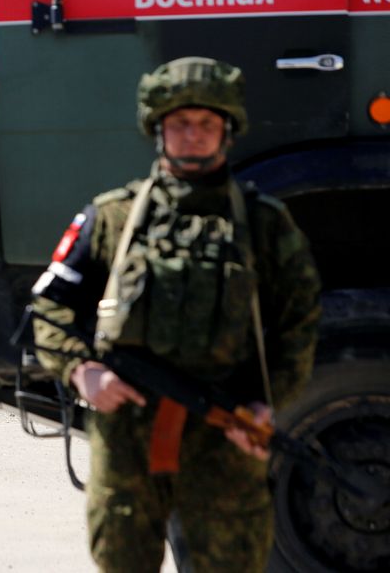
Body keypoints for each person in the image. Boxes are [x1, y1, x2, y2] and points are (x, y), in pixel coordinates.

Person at [30, 57, 321, 572]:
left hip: (224, 431)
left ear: (226, 132)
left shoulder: (263, 224)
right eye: (180, 124)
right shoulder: (111, 217)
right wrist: (83, 371)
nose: (193, 135)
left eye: (206, 124)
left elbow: (298, 322)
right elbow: (50, 306)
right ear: (159, 130)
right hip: (128, 432)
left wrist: (265, 401)